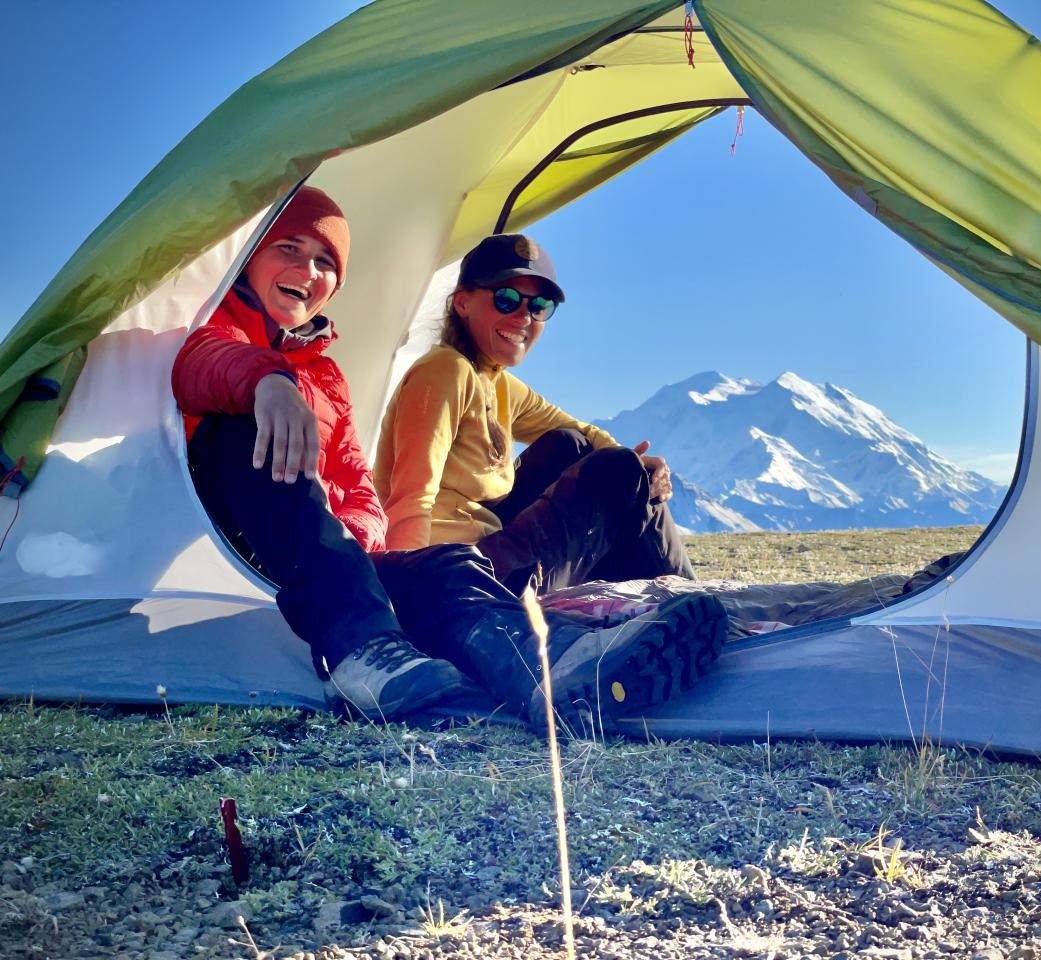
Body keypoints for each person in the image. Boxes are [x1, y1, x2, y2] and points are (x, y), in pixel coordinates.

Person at [172, 187, 726, 725]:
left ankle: (576, 658)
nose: (523, 315)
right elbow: (201, 362)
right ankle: (375, 647)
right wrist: (268, 381)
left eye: (325, 261)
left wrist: (369, 553)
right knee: (243, 427)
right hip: (281, 545)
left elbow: (359, 484)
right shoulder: (218, 332)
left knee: (563, 469)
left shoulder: (330, 375)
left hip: (370, 556)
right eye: (289, 248)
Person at [374, 233, 694, 597]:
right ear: (462, 302)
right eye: (506, 299)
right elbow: (411, 496)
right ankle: (695, 600)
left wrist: (643, 466)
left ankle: (680, 599)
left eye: (540, 306)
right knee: (616, 468)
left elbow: (582, 431)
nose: (524, 316)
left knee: (571, 446)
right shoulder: (445, 370)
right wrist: (407, 593)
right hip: (452, 573)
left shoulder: (498, 384)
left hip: (487, 555)